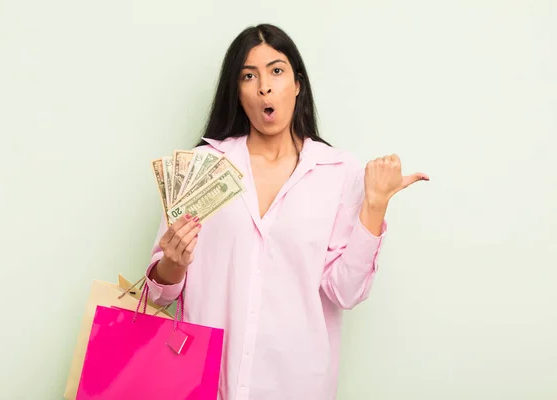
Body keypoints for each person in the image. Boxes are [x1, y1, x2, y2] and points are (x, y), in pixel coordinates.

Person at [145, 23, 428, 399]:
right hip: (205, 383)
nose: (265, 86)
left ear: (297, 84)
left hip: (296, 384)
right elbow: (157, 295)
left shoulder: (338, 172)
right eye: (249, 76)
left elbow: (345, 292)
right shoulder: (201, 167)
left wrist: (375, 205)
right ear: (238, 91)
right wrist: (174, 264)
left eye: (276, 71)